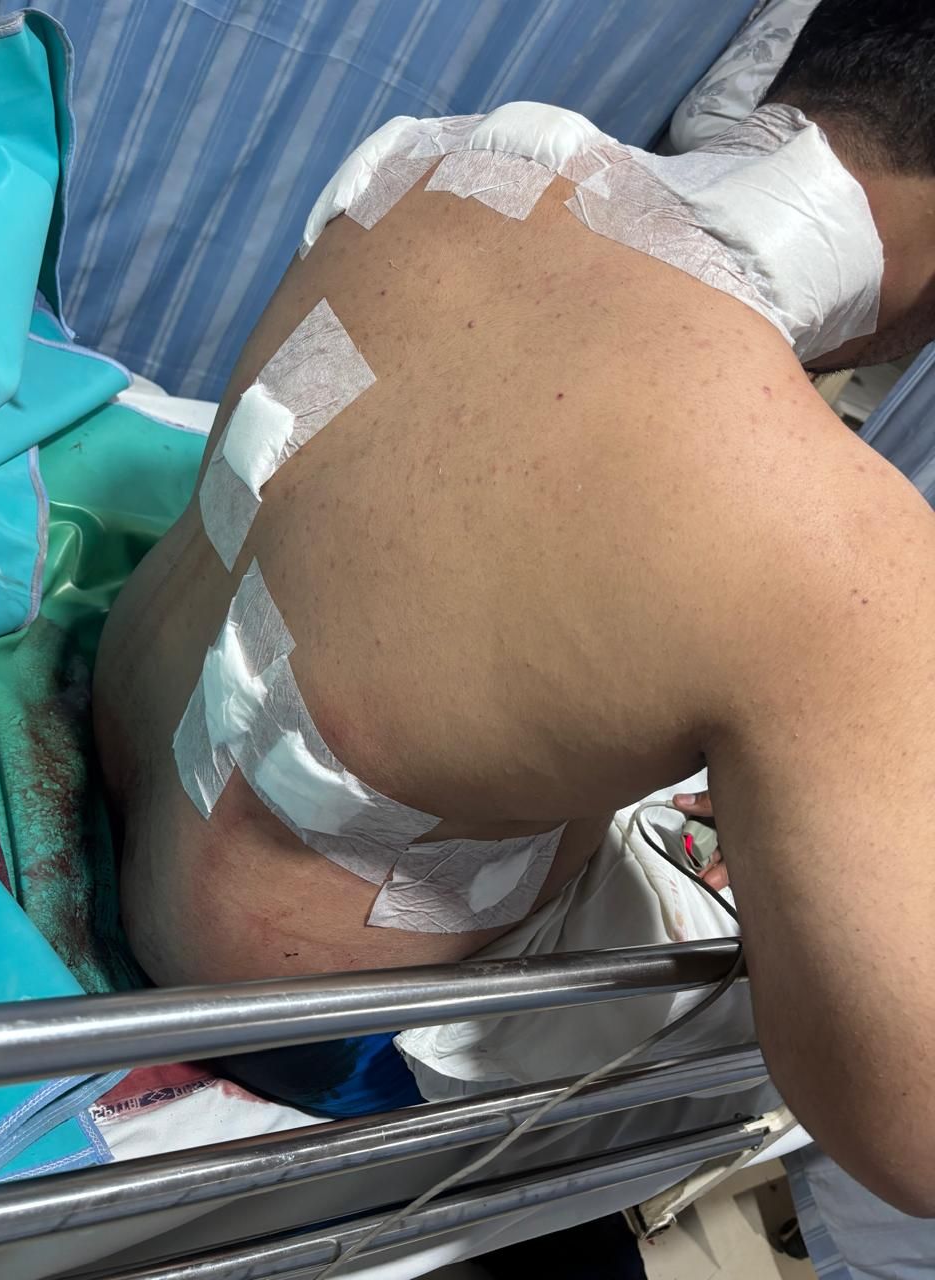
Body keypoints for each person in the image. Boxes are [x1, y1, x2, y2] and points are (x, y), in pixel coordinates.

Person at [94, 0, 934, 1207]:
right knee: (733, 1070)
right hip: (277, 1017)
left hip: (120, 729)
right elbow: (910, 1135)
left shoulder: (453, 153)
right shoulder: (833, 536)